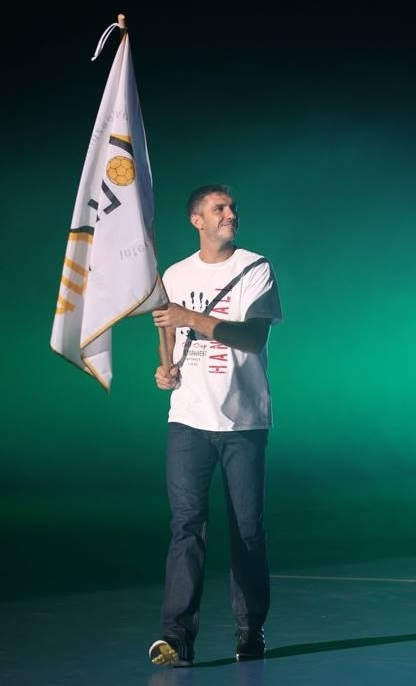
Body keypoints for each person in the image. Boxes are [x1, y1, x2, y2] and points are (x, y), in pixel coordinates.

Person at [149, 184, 282, 667]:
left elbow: (251, 337)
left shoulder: (255, 267)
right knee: (186, 526)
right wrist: (165, 369)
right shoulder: (175, 274)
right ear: (197, 220)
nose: (230, 214)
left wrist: (189, 315)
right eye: (218, 208)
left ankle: (250, 629)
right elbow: (167, 331)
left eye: (232, 207)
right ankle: (177, 638)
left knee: (247, 528)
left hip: (243, 421)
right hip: (188, 418)